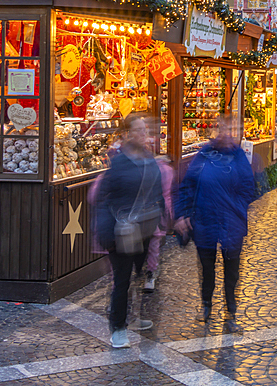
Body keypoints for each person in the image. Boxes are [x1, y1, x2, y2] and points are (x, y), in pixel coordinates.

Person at [173, 116, 257, 327]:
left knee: (232, 270)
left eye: (234, 129)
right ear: (218, 130)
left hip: (232, 222)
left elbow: (249, 188)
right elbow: (187, 184)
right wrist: (182, 214)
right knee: (207, 267)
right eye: (226, 128)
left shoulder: (239, 156)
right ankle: (206, 305)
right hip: (205, 219)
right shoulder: (204, 153)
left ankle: (230, 312)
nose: (229, 133)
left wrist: (236, 209)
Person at [95, 113, 165, 349]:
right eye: (138, 130)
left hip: (144, 229)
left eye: (145, 129)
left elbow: (157, 191)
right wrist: (106, 234)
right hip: (121, 231)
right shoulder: (118, 162)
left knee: (137, 275)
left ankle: (131, 317)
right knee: (122, 281)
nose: (143, 133)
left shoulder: (148, 159)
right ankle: (118, 327)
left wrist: (160, 219)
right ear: (126, 134)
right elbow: (103, 198)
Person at [143, 155, 175, 291]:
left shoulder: (145, 169)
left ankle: (146, 269)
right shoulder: (168, 170)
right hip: (160, 209)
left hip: (146, 210)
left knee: (147, 241)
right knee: (154, 242)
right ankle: (151, 271)